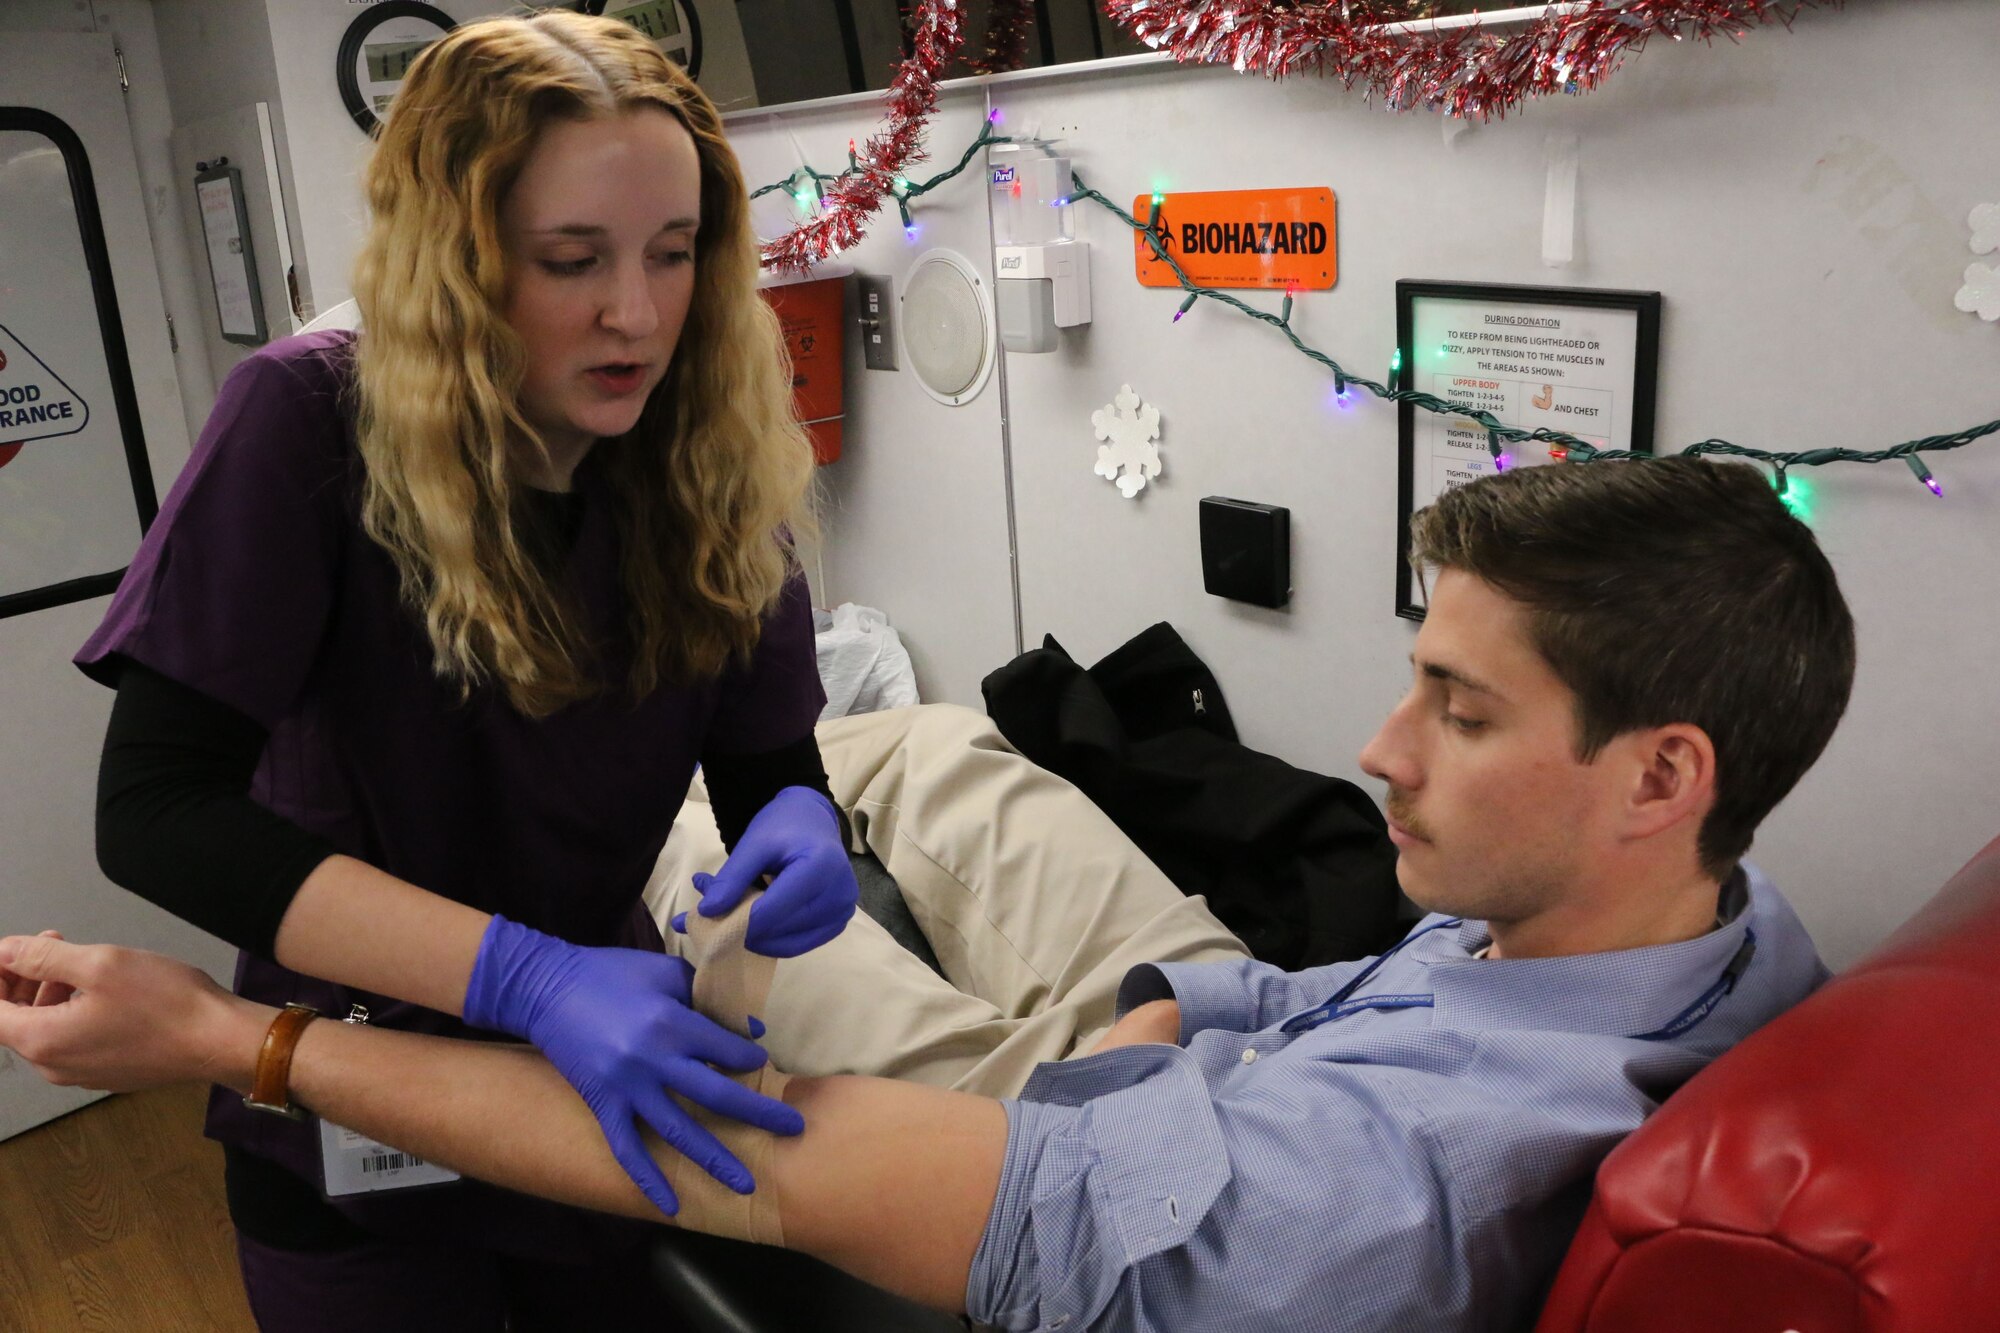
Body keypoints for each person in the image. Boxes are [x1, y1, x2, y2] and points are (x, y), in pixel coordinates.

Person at [6, 455, 1856, 1331]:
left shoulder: (1374, 1206)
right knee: (954, 749)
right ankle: (861, 768)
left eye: (1457, 711)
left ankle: (699, 860)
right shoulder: (1711, 934)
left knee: (709, 934)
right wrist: (1171, 1012)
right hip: (1198, 1067)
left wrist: (231, 1032)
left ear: (1660, 771)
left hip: (1126, 1187)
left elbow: (773, 1150)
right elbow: (1320, 997)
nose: (1382, 747)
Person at [62, 11, 865, 1326]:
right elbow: (154, 811)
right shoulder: (307, 427)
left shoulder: (712, 456)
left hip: (593, 1089)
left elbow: (773, 767)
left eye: (674, 255)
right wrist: (526, 978)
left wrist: (802, 823)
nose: (637, 312)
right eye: (570, 259)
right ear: (461, 257)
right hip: (347, 1105)